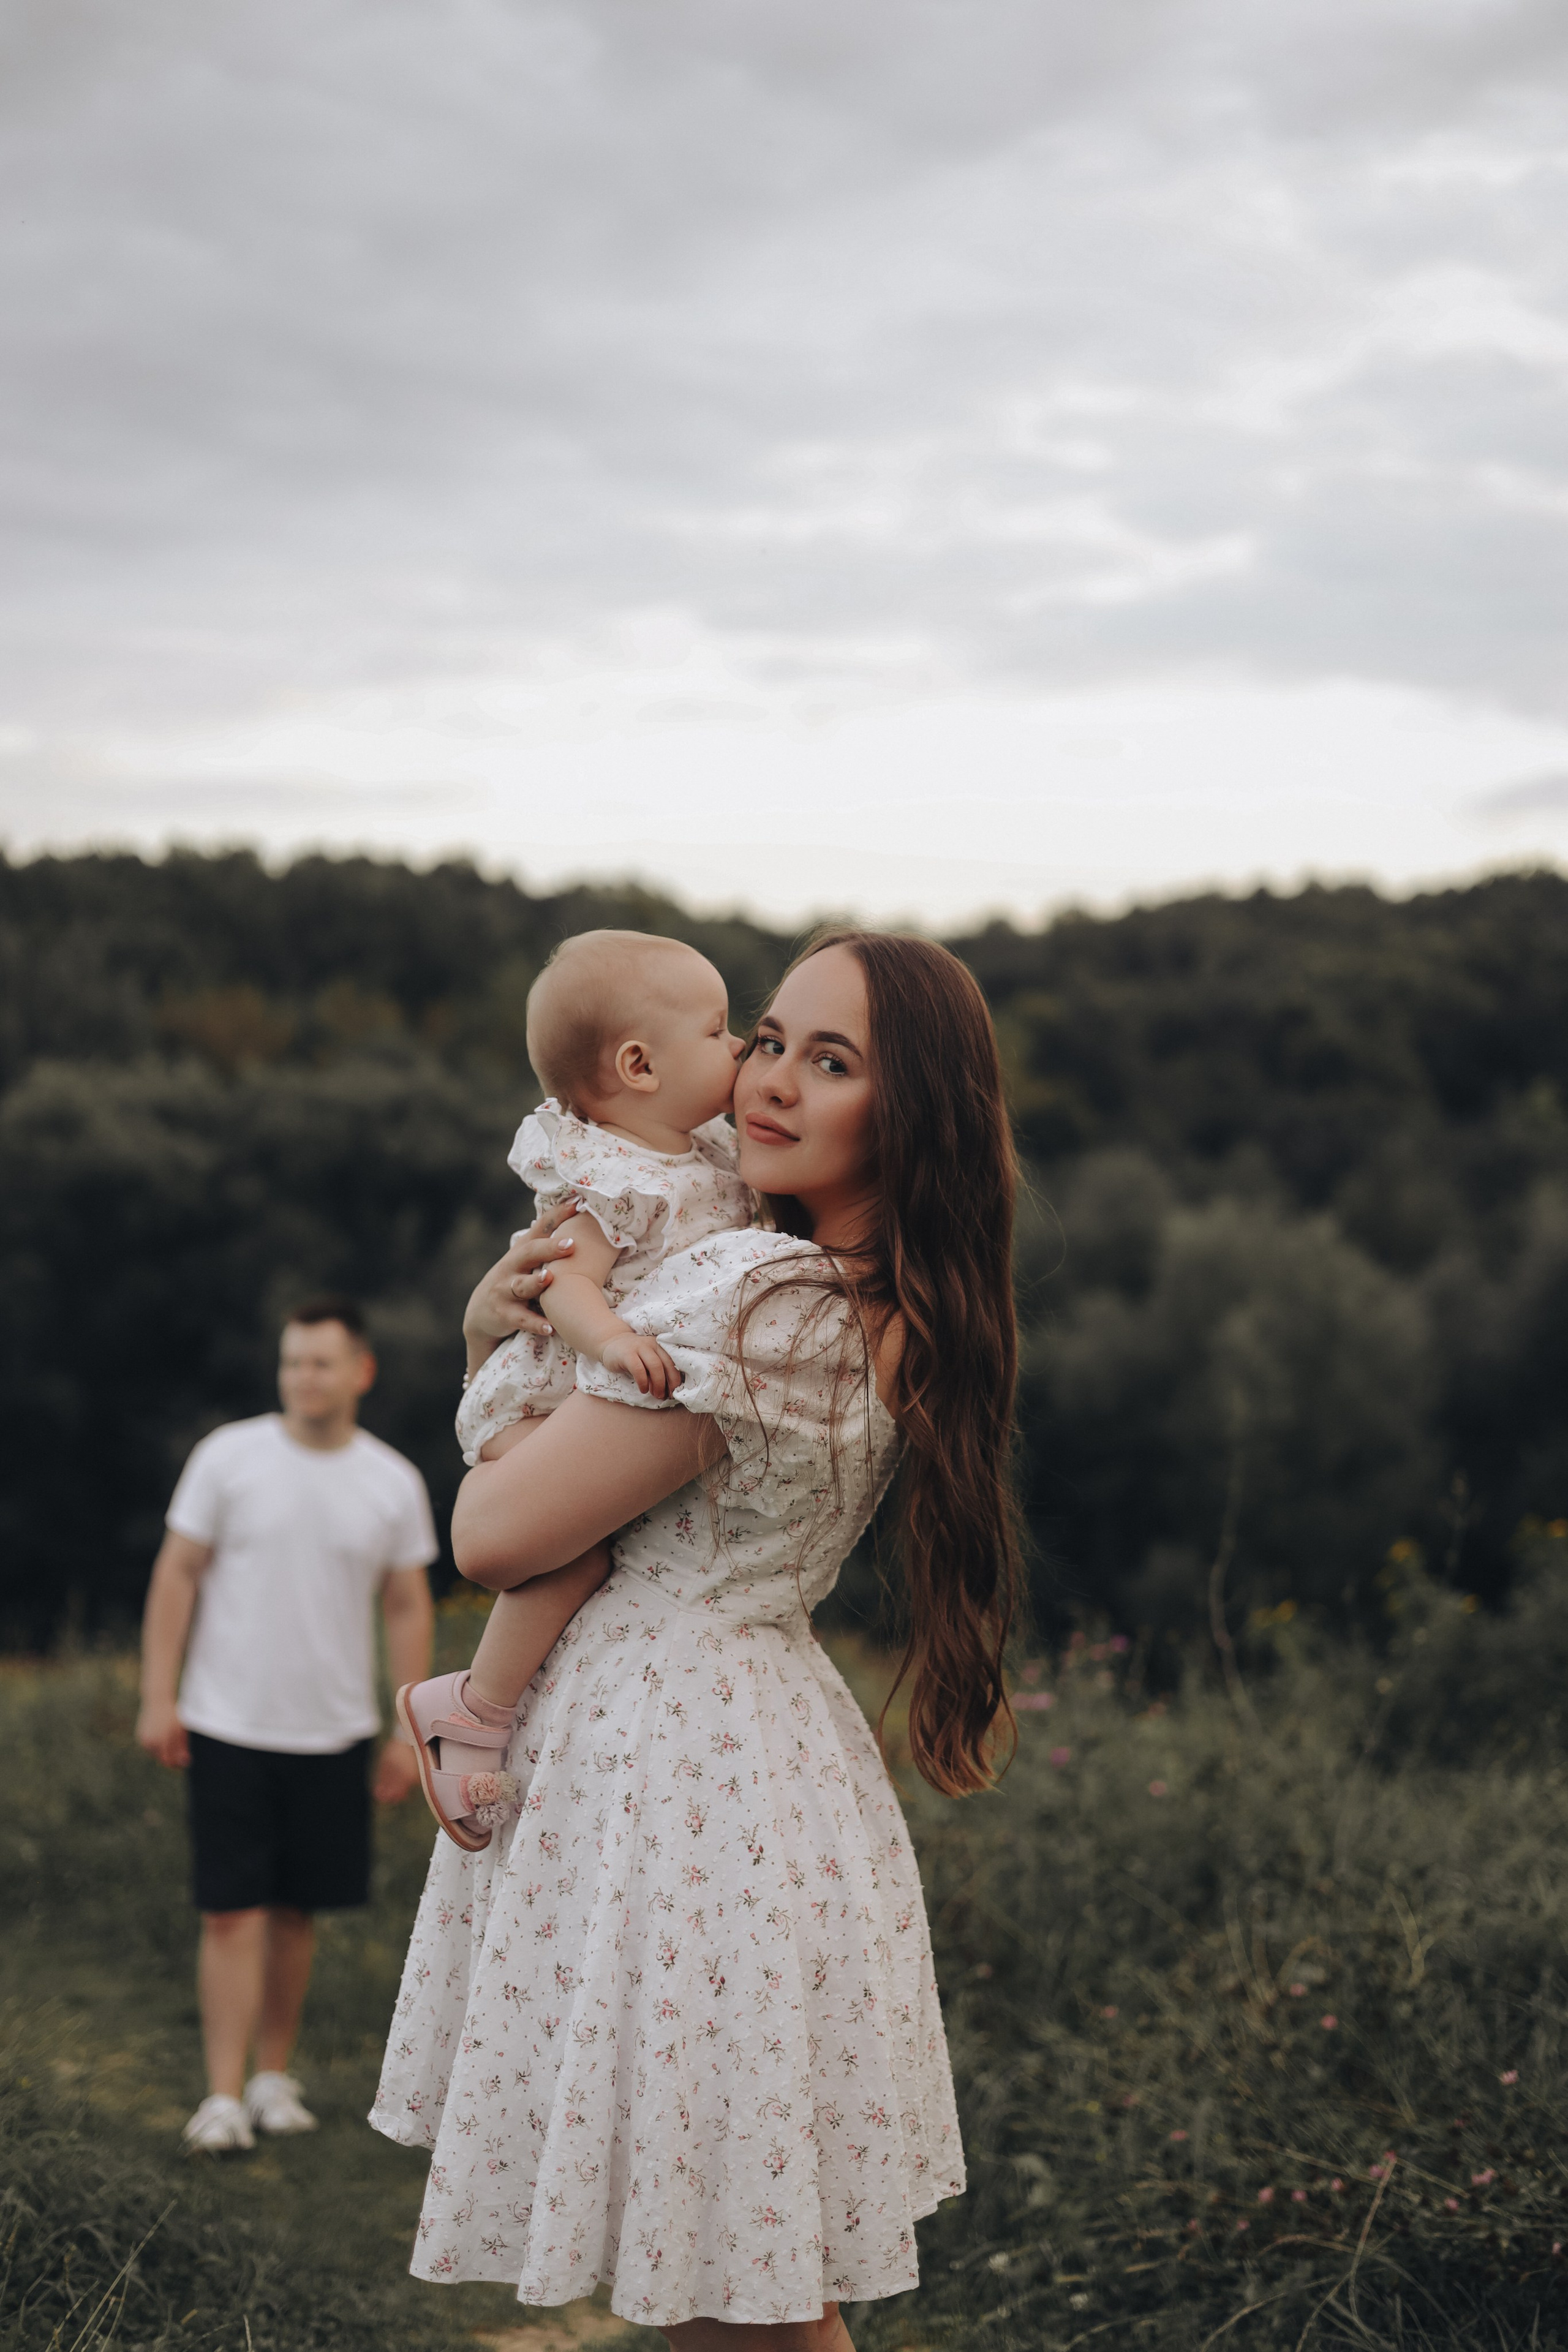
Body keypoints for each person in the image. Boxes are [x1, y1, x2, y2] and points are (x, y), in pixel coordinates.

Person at [372, 930, 1020, 2352]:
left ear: (908, 1112)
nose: (773, 1082)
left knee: (744, 2310)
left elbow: (490, 1537)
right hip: (748, 1748)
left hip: (684, 1781)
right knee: (735, 2286)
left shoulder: (756, 1302)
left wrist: (487, 1346)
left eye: (831, 1062)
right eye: (770, 1039)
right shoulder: (860, 1293)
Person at [402, 929, 750, 1849]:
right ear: (639, 1066)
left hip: (581, 1398)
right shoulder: (611, 1180)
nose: (743, 1047)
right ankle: (472, 1708)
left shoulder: (703, 1154)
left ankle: (495, 1708)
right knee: (579, 1553)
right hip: (546, 1395)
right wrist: (615, 1338)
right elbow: (562, 1281)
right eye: (720, 1031)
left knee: (593, 1545)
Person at [137, 1297, 437, 2154]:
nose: (304, 1377)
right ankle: (222, 2097)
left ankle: (273, 2078)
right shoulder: (228, 1458)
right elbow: (176, 1576)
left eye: (320, 1362)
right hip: (227, 1721)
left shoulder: (391, 1481)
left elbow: (408, 1603)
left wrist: (404, 1728)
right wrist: (159, 1697)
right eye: (293, 1362)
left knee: (297, 1913)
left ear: (360, 1372)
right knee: (232, 1911)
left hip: (335, 1731)